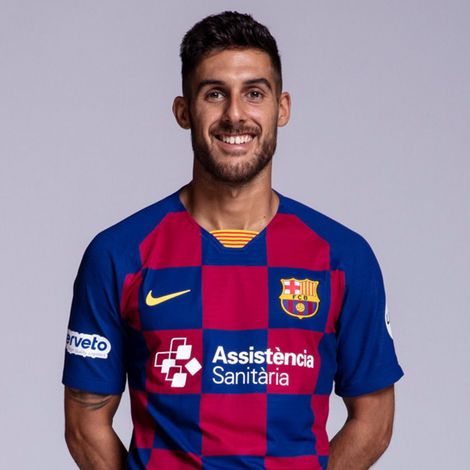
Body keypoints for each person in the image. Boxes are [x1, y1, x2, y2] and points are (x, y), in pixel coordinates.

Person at [63, 11, 403, 470]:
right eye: (214, 93)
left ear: (282, 108)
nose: (235, 114)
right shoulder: (119, 254)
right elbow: (85, 426)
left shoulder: (343, 258)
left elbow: (374, 422)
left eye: (254, 93)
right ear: (184, 111)